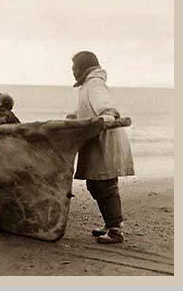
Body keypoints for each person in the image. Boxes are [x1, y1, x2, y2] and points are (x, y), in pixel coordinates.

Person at [70, 51, 135, 244]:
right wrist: (74, 117)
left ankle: (115, 230)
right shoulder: (88, 85)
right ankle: (111, 223)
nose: (72, 71)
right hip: (96, 142)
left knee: (105, 185)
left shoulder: (94, 83)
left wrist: (108, 116)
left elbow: (106, 108)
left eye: (74, 67)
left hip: (105, 140)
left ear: (83, 67)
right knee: (96, 184)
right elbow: (89, 108)